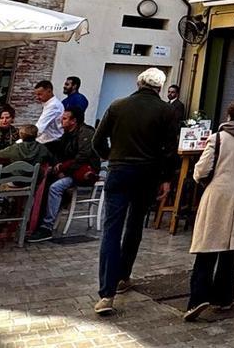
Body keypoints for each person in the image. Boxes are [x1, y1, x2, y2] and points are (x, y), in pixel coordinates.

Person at [92, 67, 178, 316]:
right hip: (147, 174)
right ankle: (123, 276)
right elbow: (169, 150)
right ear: (160, 87)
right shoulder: (166, 111)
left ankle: (106, 294)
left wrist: (112, 157)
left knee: (111, 230)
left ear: (138, 83)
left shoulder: (118, 106)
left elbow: (97, 141)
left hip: (119, 171)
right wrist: (166, 179)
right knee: (135, 225)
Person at [184, 99, 234, 322]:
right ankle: (224, 296)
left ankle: (198, 297)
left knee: (208, 243)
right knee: (233, 246)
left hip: (220, 191)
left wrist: (199, 179)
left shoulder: (218, 138)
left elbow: (201, 170)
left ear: (229, 117)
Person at [29, 106, 100, 243]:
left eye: (65, 118)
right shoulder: (67, 134)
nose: (61, 120)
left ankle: (46, 227)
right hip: (68, 170)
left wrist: (64, 169)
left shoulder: (86, 133)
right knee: (42, 179)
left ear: (74, 121)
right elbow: (58, 151)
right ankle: (34, 219)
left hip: (82, 172)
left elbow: (83, 156)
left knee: (55, 187)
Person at [33, 80, 64, 145]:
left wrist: (24, 139)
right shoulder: (49, 104)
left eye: (40, 94)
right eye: (36, 95)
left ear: (49, 91)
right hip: (46, 139)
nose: (37, 97)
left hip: (51, 142)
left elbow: (39, 128)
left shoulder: (53, 106)